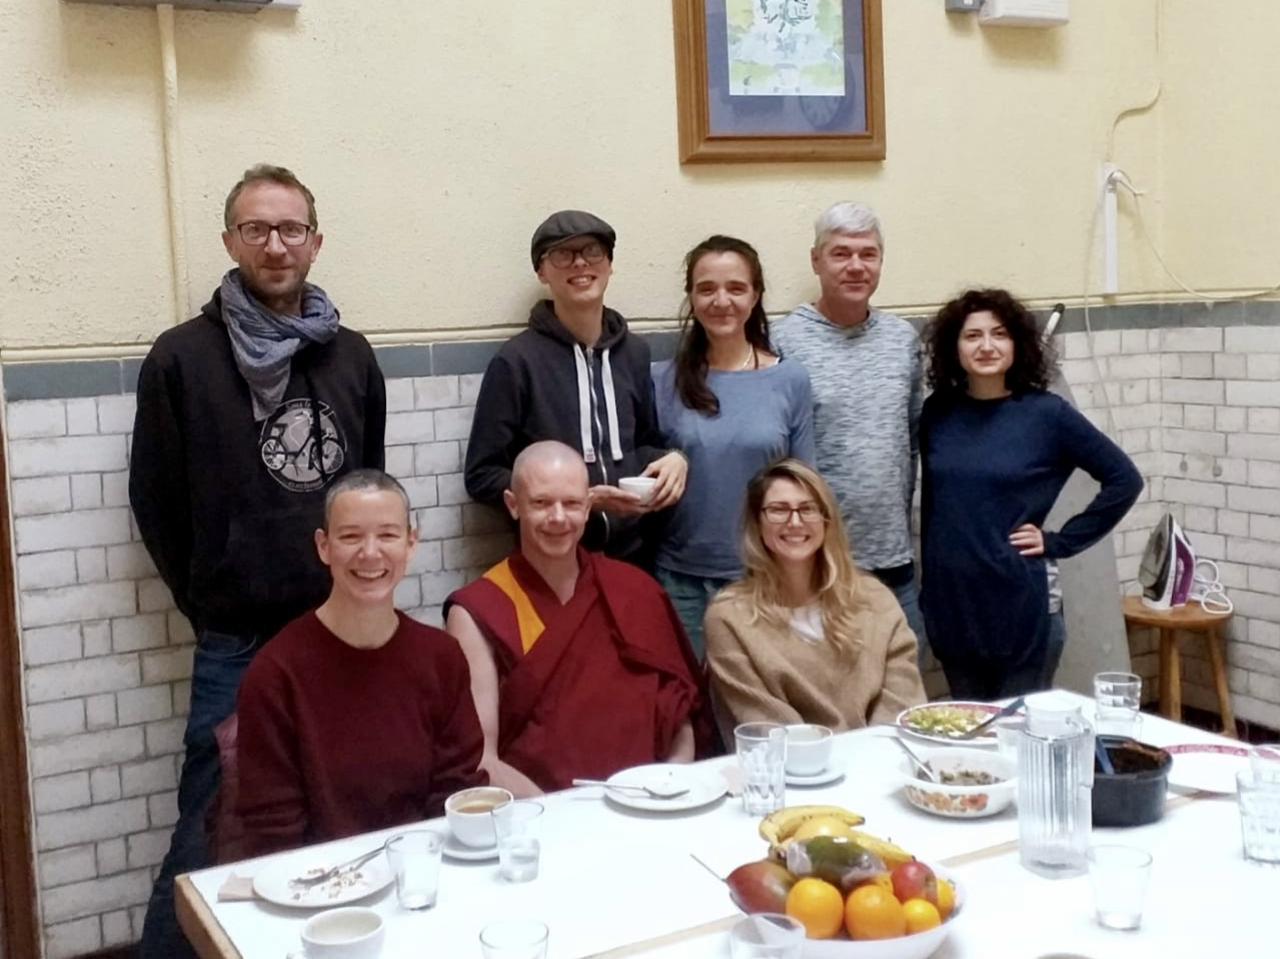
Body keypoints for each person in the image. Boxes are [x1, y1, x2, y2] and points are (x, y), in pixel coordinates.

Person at [129, 164, 386, 957]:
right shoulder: (181, 358)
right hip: (235, 637)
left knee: (342, 806)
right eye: (257, 229)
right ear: (230, 240)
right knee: (213, 813)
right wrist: (213, 593)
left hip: (338, 628)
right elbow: (156, 501)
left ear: (315, 240)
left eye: (290, 229)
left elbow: (367, 490)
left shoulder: (351, 354)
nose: (276, 246)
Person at [235, 470, 485, 857]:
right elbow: (272, 831)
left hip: (423, 871)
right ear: (323, 546)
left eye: (387, 535)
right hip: (317, 886)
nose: (370, 553)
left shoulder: (442, 657)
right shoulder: (276, 672)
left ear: (410, 542)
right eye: (350, 536)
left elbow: (456, 796)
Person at [445, 441, 705, 796]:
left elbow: (680, 716)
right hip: (541, 822)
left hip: (652, 807)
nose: (558, 517)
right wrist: (564, 820)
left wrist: (669, 785)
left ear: (588, 507)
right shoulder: (477, 610)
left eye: (571, 503)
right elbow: (481, 760)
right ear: (512, 505)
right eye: (540, 503)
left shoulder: (634, 590)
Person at [919, 288, 1143, 699]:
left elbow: (1124, 479)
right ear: (955, 346)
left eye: (999, 334)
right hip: (952, 609)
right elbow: (936, 507)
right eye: (973, 336)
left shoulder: (1047, 414)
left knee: (1018, 736)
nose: (986, 345)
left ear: (1016, 343)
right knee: (969, 735)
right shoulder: (938, 412)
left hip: (1021, 606)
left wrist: (1060, 541)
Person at [463, 210, 687, 567]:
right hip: (552, 557)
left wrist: (671, 459)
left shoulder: (633, 352)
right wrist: (569, 499)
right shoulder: (516, 361)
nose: (580, 263)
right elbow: (482, 475)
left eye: (593, 251)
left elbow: (644, 441)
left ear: (610, 264)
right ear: (542, 271)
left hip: (636, 556)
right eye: (562, 254)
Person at [770, 201, 927, 655]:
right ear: (816, 260)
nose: (856, 266)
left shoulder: (902, 340)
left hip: (893, 560)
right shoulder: (784, 340)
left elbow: (912, 441)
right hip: (812, 561)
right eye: (841, 254)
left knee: (902, 691)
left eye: (868, 253)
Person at [651, 235, 814, 657]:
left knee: (759, 710)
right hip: (678, 578)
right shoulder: (661, 380)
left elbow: (805, 486)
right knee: (689, 708)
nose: (721, 301)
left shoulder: (789, 379)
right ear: (691, 296)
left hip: (764, 577)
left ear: (755, 295)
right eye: (707, 288)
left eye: (736, 288)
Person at [704, 459, 925, 735]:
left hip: (879, 762)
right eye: (778, 510)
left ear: (826, 519)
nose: (795, 521)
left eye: (808, 509)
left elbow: (901, 703)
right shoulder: (729, 617)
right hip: (789, 771)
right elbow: (765, 724)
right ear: (757, 523)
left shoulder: (876, 600)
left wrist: (871, 761)